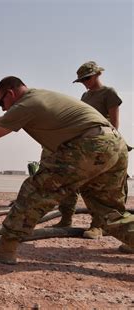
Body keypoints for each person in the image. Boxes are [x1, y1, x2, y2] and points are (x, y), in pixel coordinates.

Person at [0, 76, 133, 264]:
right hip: (114, 144)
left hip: (90, 146)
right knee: (107, 210)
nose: (3, 108)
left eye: (2, 102)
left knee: (34, 191)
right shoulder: (37, 98)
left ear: (10, 93)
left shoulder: (27, 104)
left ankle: (6, 249)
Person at [52, 61, 123, 239]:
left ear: (97, 74)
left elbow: (114, 124)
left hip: (103, 145)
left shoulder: (109, 93)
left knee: (98, 187)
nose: (85, 83)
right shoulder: (85, 96)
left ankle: (97, 225)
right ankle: (66, 218)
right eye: (82, 80)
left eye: (87, 78)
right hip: (84, 145)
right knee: (71, 181)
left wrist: (109, 148)